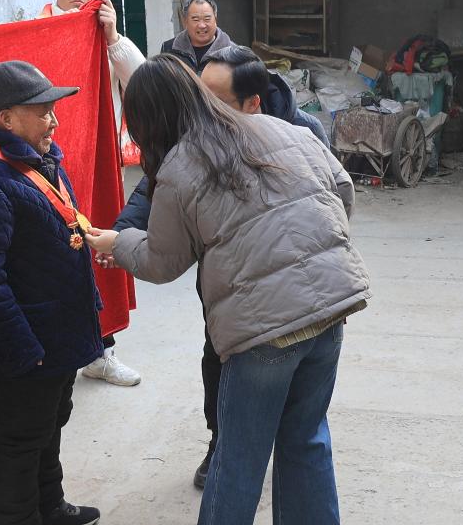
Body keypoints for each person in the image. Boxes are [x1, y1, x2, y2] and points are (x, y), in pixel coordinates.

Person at [85, 53, 369, 525]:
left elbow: (162, 261)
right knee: (306, 443)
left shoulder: (180, 164)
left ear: (149, 120)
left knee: (237, 461)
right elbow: (342, 192)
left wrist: (116, 242)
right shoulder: (285, 129)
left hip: (263, 334)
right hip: (329, 312)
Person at [109, 45, 331, 489]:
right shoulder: (193, 146)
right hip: (236, 296)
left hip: (308, 296)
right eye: (200, 95)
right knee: (223, 372)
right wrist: (122, 234)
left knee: (280, 439)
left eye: (216, 101)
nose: (203, 109)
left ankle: (253, 456)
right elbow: (154, 193)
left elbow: (335, 198)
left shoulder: (300, 131)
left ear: (253, 103)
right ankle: (221, 441)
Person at [0, 61, 103, 525]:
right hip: (25, 345)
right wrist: (21, 350)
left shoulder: (41, 162)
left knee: (50, 424)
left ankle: (49, 504)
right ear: (6, 118)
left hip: (56, 335)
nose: (54, 120)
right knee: (19, 439)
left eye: (53, 109)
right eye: (43, 111)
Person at [39, 0, 145, 387]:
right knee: (50, 254)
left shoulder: (107, 36)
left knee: (98, 249)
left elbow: (141, 79)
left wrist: (112, 35)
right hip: (42, 167)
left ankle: (102, 351)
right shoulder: (35, 29)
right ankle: (54, 351)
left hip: (98, 165)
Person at [161, 0, 234, 74]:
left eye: (207, 19)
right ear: (185, 21)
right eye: (195, 19)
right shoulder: (169, 49)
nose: (202, 25)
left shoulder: (232, 52)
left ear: (215, 19)